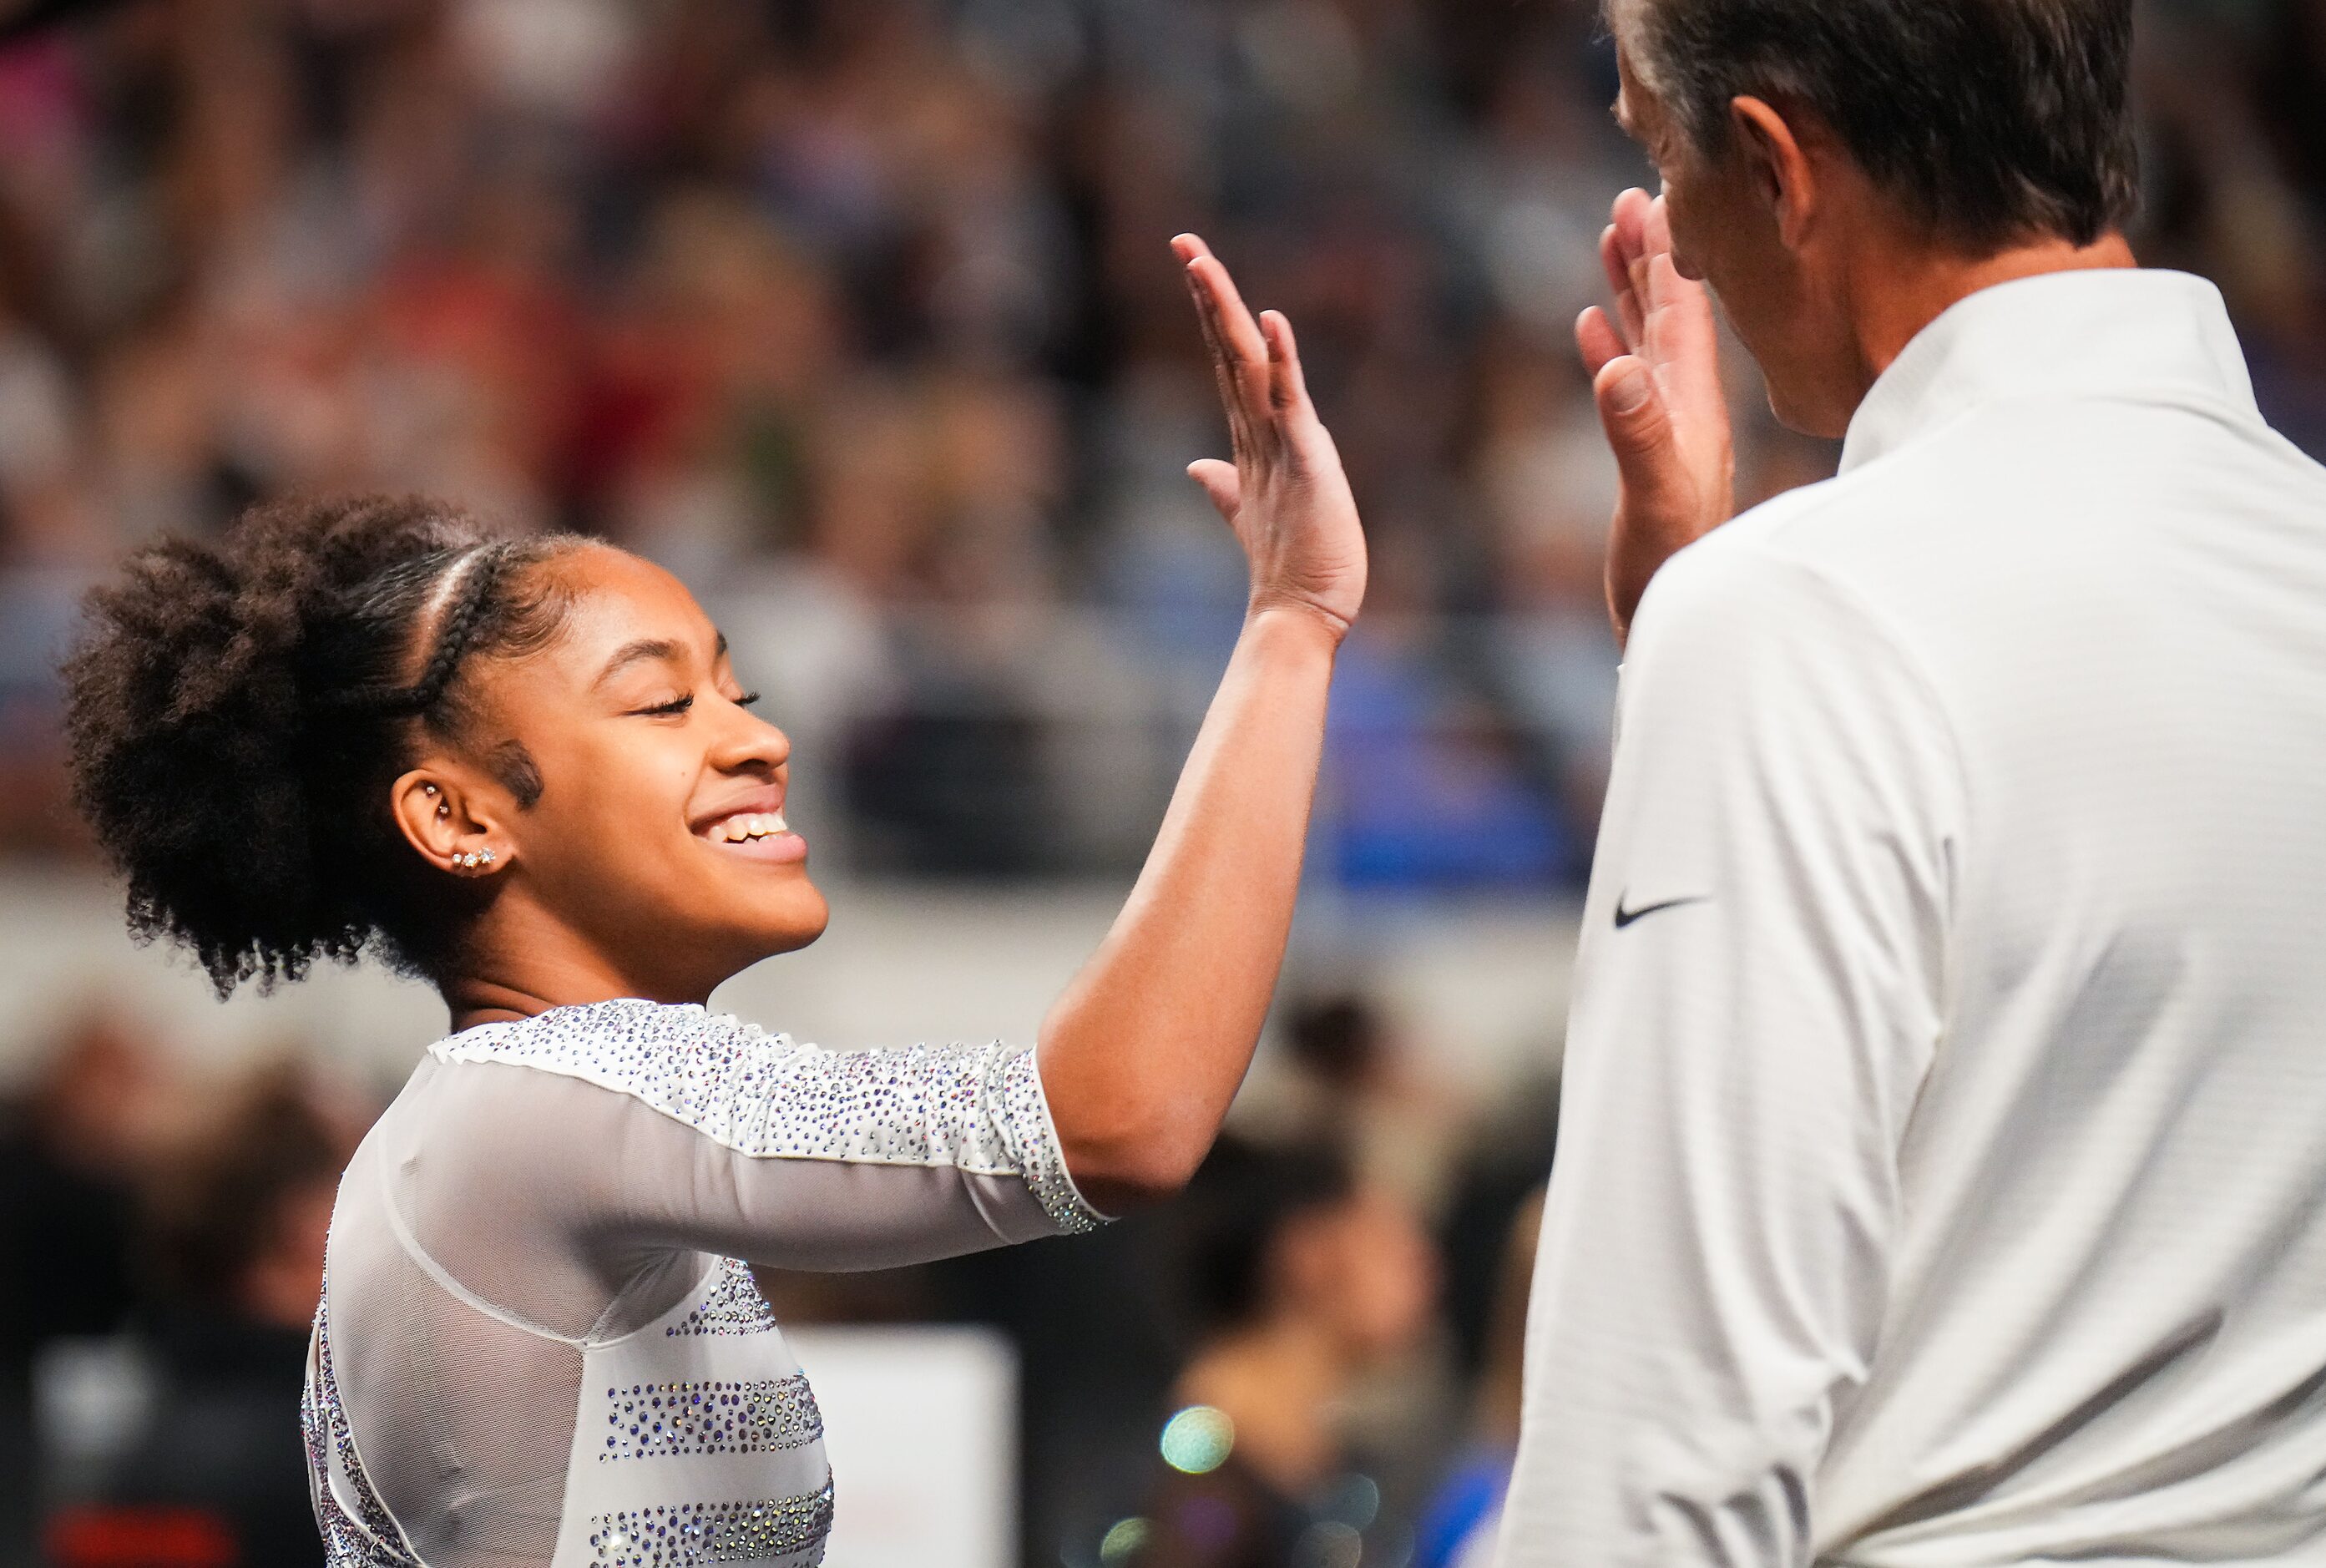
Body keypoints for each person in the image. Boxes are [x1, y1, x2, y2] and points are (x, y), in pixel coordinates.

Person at [58, 235, 1363, 1568]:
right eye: (660, 700)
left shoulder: (530, 1127)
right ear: (456, 817)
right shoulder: (530, 1101)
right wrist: (1289, 626)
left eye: (735, 688)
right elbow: (1114, 1121)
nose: (756, 739)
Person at [1498, 0, 2326, 1563]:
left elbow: (1656, 1461)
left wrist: (1723, 643)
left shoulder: (1790, 623)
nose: (1671, 234)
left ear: (1774, 164)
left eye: (1662, 156)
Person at [1123, 1136, 1436, 1568]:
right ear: (1308, 1256)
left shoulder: (1322, 1467)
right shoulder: (1197, 1487)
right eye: (1387, 1239)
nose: (1427, 1263)